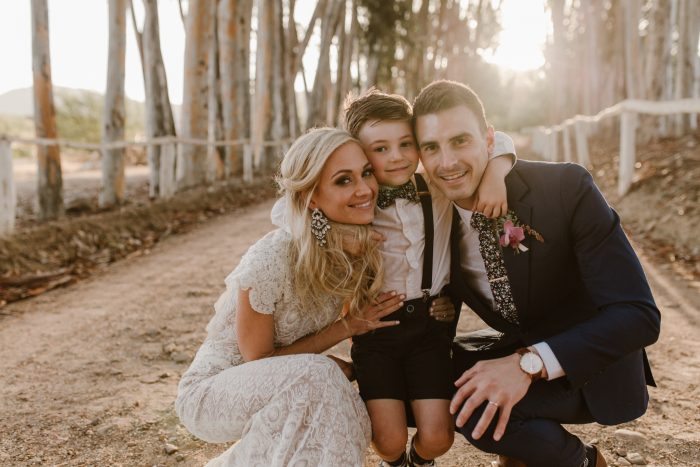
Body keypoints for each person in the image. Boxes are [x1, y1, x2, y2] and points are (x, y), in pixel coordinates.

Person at [412, 80, 661, 467]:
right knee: (438, 388)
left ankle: (582, 463)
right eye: (431, 147)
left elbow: (639, 315)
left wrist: (528, 364)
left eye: (460, 141)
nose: (447, 162)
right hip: (518, 339)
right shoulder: (431, 218)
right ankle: (527, 450)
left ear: (489, 140)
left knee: (478, 406)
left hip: (590, 363)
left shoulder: (565, 188)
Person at [175, 127, 407, 467]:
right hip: (214, 393)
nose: (364, 189)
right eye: (344, 180)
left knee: (340, 407)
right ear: (312, 197)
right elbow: (259, 360)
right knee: (321, 378)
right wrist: (346, 328)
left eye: (366, 173)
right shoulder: (272, 258)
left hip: (289, 385)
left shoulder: (355, 247)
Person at [342, 88, 516, 467]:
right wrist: (335, 233)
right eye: (381, 148)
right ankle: (397, 462)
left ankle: (421, 460)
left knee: (438, 437)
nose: (398, 156)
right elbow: (288, 212)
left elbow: (496, 138)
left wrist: (497, 172)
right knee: (386, 441)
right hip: (375, 332)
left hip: (429, 327)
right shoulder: (350, 200)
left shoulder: (436, 185)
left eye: (407, 143)